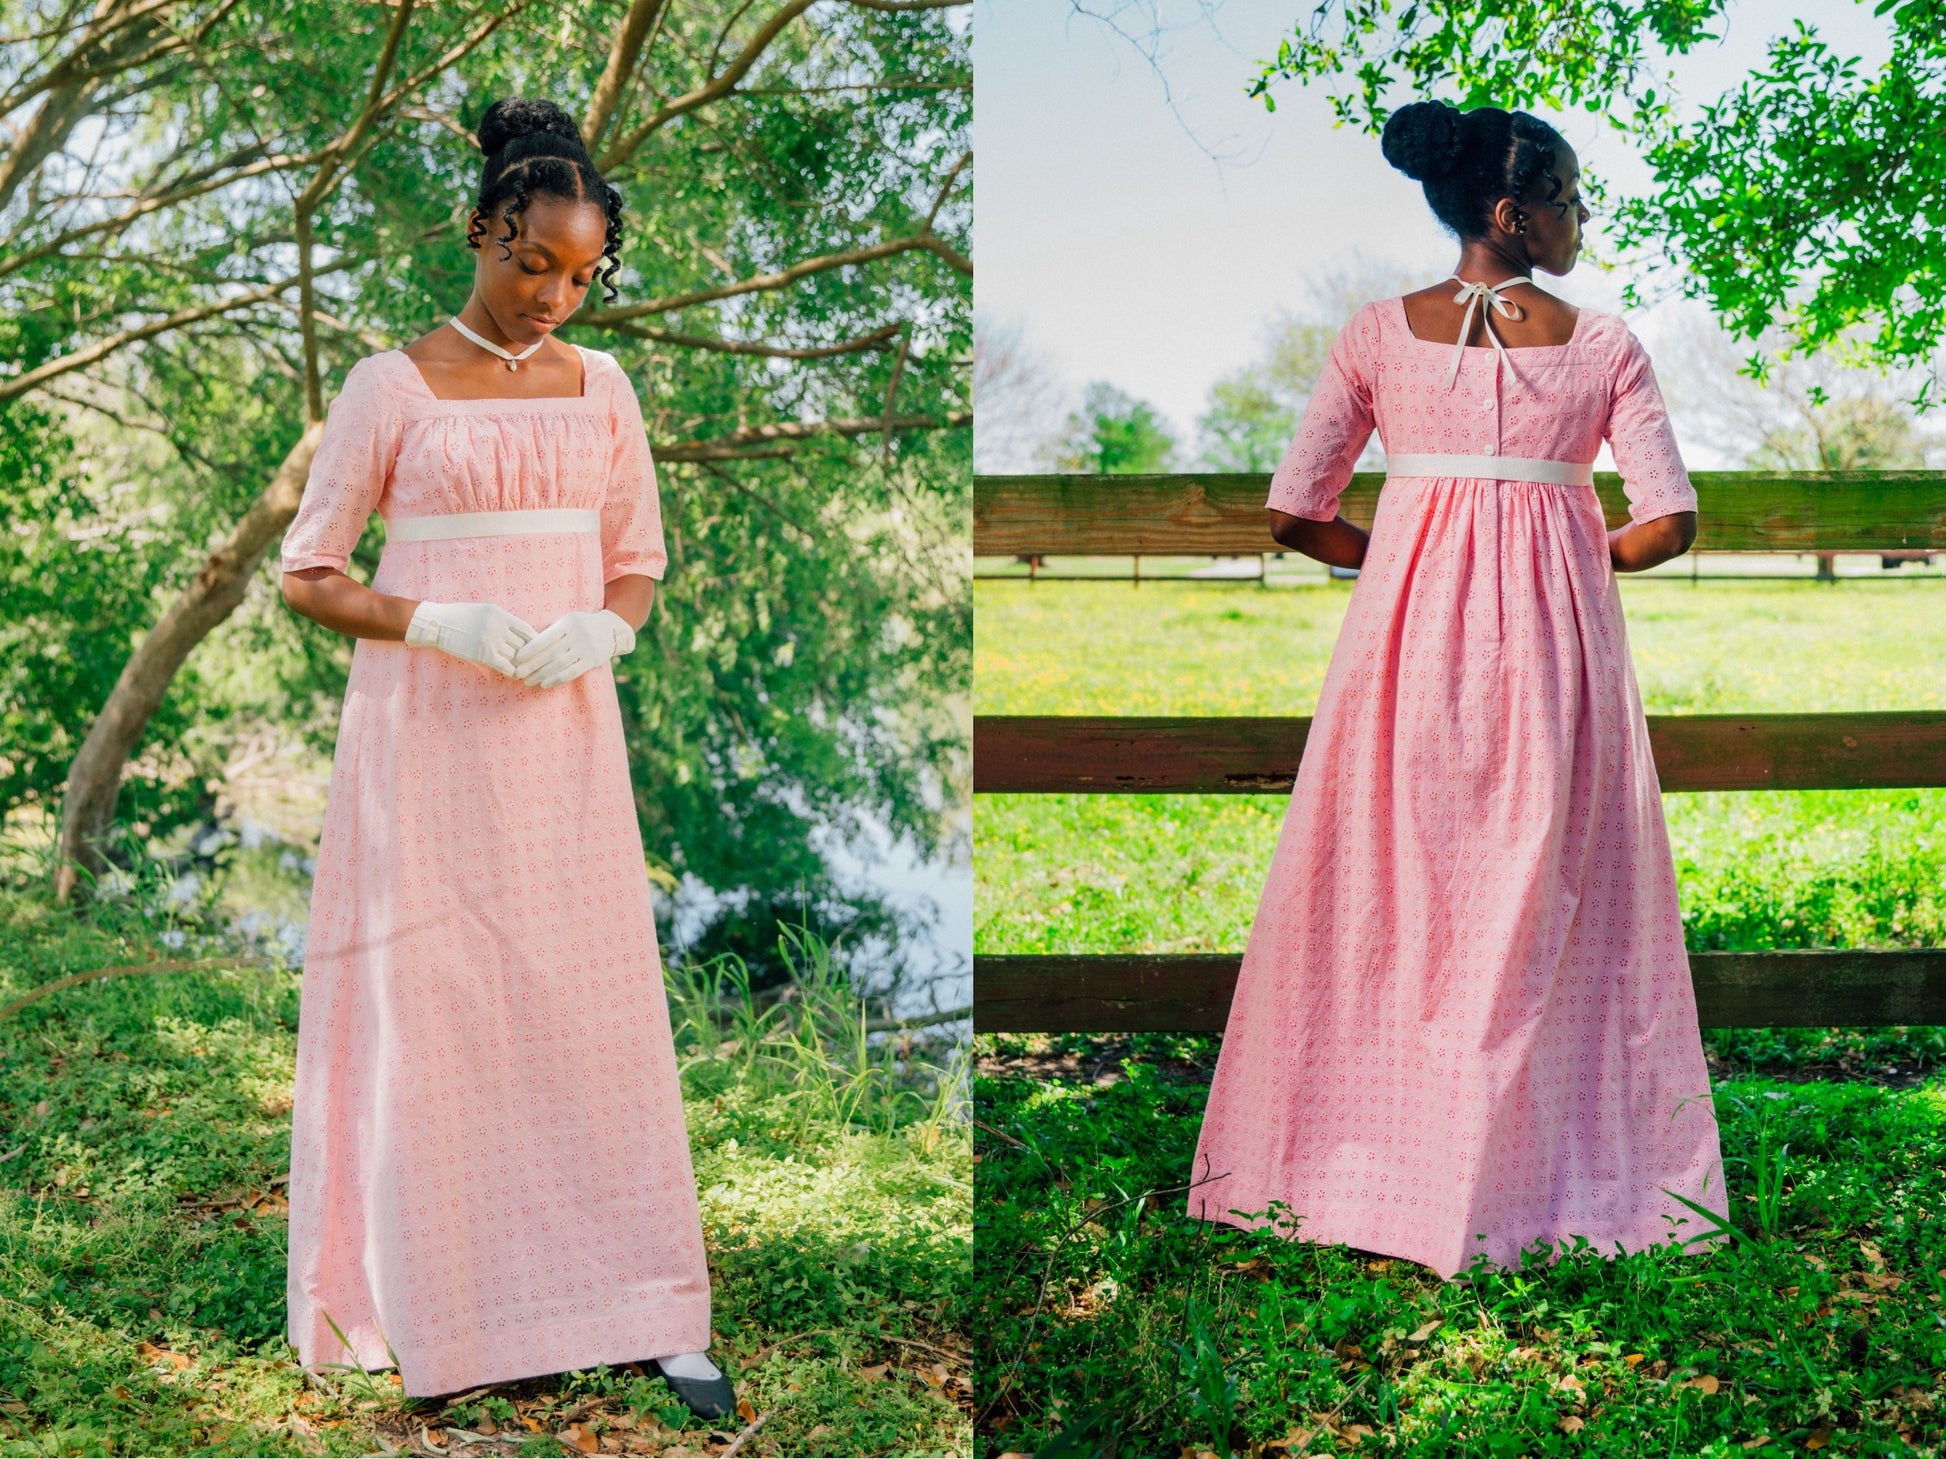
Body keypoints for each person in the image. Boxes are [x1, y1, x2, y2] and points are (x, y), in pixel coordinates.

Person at [1187, 99, 1729, 1282]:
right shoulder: (1601, 346)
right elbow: (1670, 520)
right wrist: (1573, 555)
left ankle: (1371, 1161)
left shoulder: (1377, 335)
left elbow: (1292, 512)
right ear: (1509, 211)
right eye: (1571, 198)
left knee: (1397, 891)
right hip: (1555, 655)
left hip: (1402, 650)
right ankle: (1551, 1164)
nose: (1581, 218)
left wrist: (1402, 554)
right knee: (1549, 900)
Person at [277, 97, 736, 1417]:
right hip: (426, 745)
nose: (555, 293)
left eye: (582, 274)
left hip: (563, 742)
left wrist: (609, 623)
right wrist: (439, 618)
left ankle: (646, 1301)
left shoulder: (605, 387)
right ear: (480, 231)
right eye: (533, 262)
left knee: (591, 1020)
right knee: (446, 1017)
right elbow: (308, 573)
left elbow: (637, 560)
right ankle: (449, 1307)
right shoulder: (390, 385)